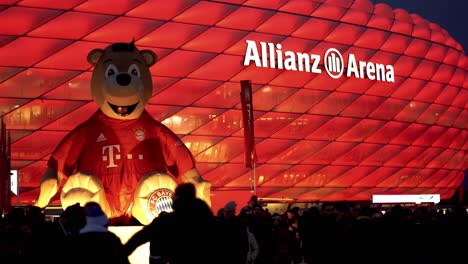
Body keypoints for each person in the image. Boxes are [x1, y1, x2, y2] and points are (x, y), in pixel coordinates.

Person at [124, 183, 218, 264]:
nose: (173, 198)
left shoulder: (168, 221)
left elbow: (142, 236)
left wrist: (122, 251)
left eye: (175, 195)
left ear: (180, 198)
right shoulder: (205, 218)